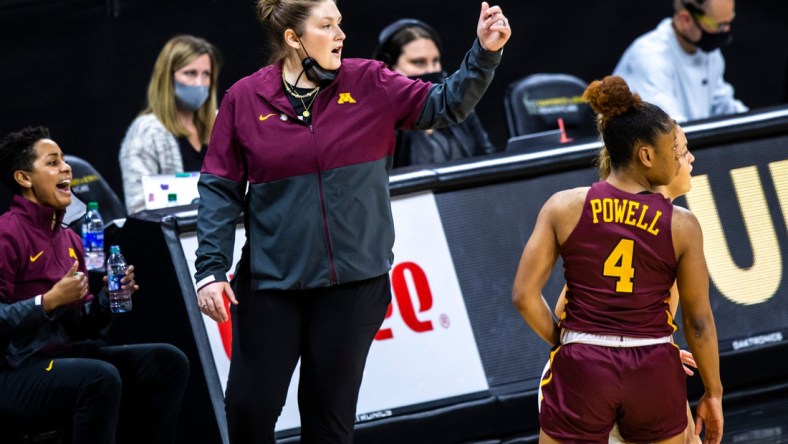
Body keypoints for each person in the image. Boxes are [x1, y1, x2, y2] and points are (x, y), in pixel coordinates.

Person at [193, 0, 510, 442]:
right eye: (327, 25)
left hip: (354, 284)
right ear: (293, 38)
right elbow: (219, 188)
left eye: (339, 23)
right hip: (271, 283)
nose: (341, 34)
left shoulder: (371, 81)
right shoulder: (244, 99)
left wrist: (484, 52)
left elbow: (446, 104)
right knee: (249, 409)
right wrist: (210, 268)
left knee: (328, 418)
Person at [512, 76, 723, 443]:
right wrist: (714, 392)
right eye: (677, 149)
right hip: (652, 367)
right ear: (646, 155)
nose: (684, 158)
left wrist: (569, 341)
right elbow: (699, 322)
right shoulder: (681, 225)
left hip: (585, 369)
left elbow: (525, 297)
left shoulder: (565, 206)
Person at [0, 127, 189, 444]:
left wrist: (106, 299)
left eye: (64, 160)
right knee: (99, 377)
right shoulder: (7, 235)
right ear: (24, 178)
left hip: (62, 357)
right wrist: (46, 302)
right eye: (53, 162)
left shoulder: (70, 238)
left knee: (167, 362)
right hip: (14, 371)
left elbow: (84, 326)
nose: (66, 168)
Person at [545, 130, 702, 444]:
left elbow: (654, 326)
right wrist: (603, 344)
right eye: (683, 152)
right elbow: (697, 323)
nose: (690, 159)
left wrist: (649, 347)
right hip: (595, 379)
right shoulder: (675, 229)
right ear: (654, 162)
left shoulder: (662, 223)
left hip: (604, 367)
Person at [372, 18, 497, 167]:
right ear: (389, 68)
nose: (431, 70)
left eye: (435, 61)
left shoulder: (457, 105)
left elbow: (488, 159)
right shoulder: (379, 119)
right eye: (419, 62)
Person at [119, 35, 221, 214]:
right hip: (174, 237)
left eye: (206, 75)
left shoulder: (222, 123)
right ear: (168, 78)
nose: (200, 83)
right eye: (190, 73)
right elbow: (139, 208)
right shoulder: (146, 132)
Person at [613, 0, 747, 123]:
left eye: (729, 22)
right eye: (719, 25)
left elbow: (721, 104)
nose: (726, 30)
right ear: (686, 20)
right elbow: (667, 131)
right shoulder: (649, 57)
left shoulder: (710, 54)